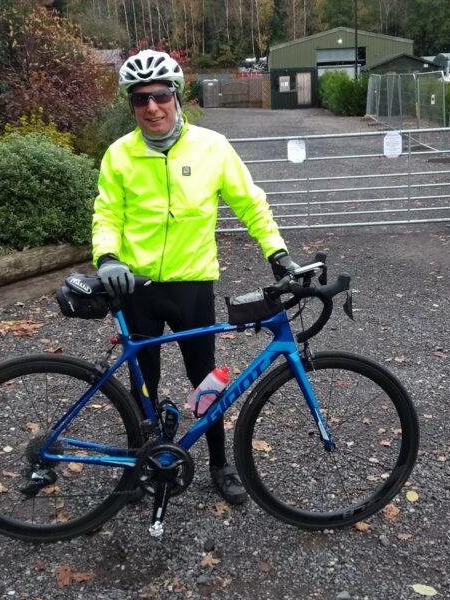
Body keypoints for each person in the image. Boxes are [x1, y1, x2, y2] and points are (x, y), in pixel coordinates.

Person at [92, 49, 298, 505]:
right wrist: (107, 257)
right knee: (142, 381)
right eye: (140, 99)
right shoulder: (119, 155)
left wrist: (278, 253)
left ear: (177, 96)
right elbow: (106, 213)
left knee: (205, 380)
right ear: (131, 104)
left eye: (161, 96)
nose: (152, 108)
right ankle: (139, 464)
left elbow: (250, 203)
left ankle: (219, 465)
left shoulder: (212, 147)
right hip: (137, 288)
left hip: (192, 285)